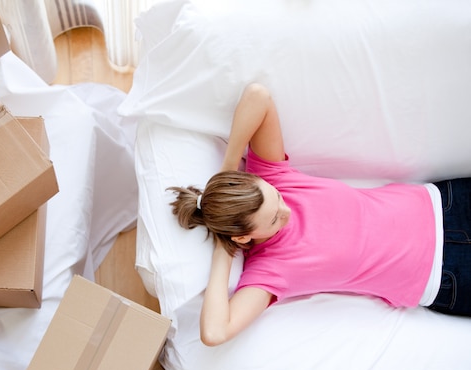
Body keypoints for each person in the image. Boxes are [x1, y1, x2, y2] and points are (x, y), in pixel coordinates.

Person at [168, 83, 471, 347]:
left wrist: (228, 169)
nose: (286, 210)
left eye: (277, 200)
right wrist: (224, 247)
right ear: (245, 236)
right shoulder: (268, 272)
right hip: (446, 274)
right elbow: (214, 333)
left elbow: (257, 95)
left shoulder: (275, 178)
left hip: (445, 205)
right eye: (274, 220)